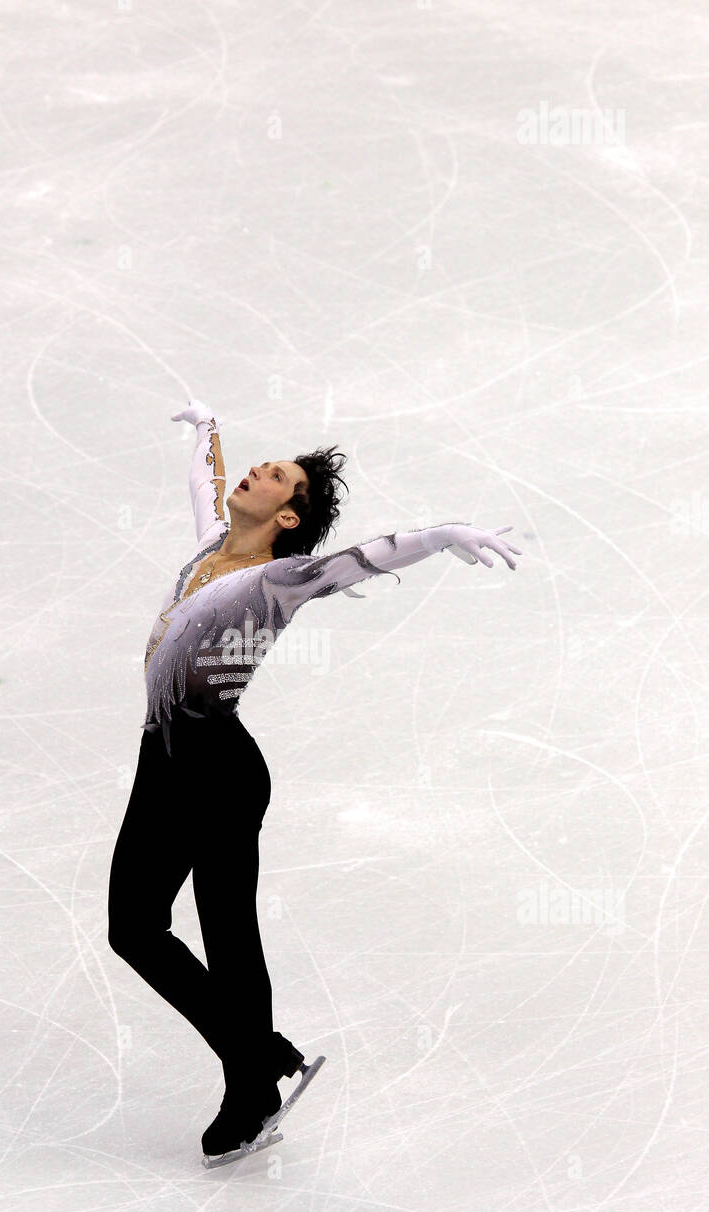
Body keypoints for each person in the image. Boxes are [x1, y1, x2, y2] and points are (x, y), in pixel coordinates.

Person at [108, 397, 521, 1162]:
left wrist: (442, 536)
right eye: (261, 466)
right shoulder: (208, 552)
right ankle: (256, 1049)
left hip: (220, 772)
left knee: (229, 937)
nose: (257, 473)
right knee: (132, 927)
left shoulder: (281, 578)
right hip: (163, 759)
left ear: (289, 517)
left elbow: (367, 555)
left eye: (275, 478)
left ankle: (252, 1087)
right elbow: (207, 485)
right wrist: (207, 432)